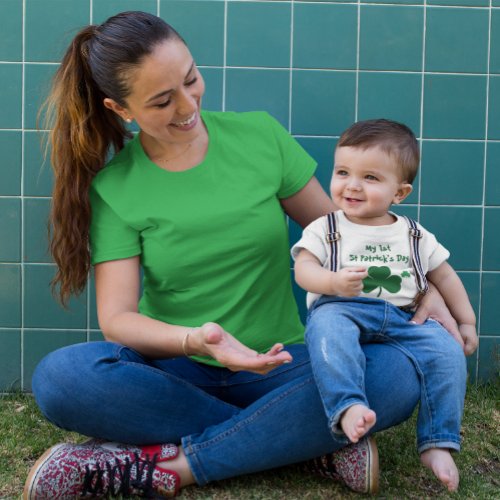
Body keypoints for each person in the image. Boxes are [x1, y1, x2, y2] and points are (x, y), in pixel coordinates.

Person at [24, 12, 465, 498]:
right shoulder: (115, 188)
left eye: (191, 79)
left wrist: (426, 288)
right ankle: (305, 442)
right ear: (120, 108)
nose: (188, 105)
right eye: (162, 100)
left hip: (285, 365)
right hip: (178, 372)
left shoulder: (259, 136)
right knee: (61, 378)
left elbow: (343, 239)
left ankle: (175, 466)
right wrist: (198, 340)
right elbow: (118, 320)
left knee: (397, 374)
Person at [292, 118, 478, 492]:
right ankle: (347, 406)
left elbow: (445, 277)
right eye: (343, 172)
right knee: (328, 331)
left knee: (447, 352)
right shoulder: (326, 227)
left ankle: (438, 443)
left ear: (401, 192)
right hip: (342, 307)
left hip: (404, 316)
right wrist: (330, 282)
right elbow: (303, 269)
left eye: (371, 178)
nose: (352, 185)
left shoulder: (412, 233)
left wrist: (466, 322)